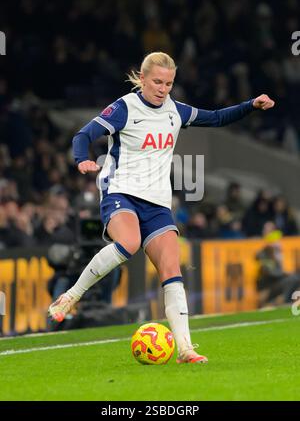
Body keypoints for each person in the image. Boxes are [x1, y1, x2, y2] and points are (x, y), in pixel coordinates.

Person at [48, 52, 275, 363]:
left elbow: (217, 117)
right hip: (121, 191)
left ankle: (185, 349)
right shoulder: (124, 108)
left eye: (169, 83)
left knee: (172, 271)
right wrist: (81, 159)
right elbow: (84, 134)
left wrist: (251, 105)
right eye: (157, 81)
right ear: (142, 79)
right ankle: (70, 296)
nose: (163, 88)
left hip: (157, 202)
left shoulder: (175, 111)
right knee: (128, 242)